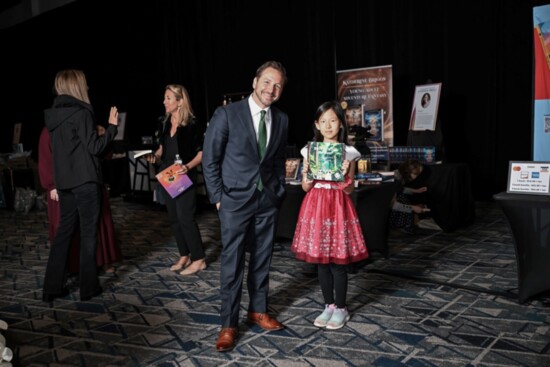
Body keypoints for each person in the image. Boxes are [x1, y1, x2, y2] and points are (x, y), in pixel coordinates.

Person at [202, 61, 289, 352]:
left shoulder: (282, 119)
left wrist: (277, 191)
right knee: (233, 262)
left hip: (266, 202)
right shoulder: (227, 114)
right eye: (267, 82)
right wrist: (217, 197)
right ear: (255, 82)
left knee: (263, 258)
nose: (271, 89)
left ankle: (258, 309)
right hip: (234, 201)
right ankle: (229, 324)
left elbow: (276, 161)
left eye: (277, 85)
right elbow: (210, 159)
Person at [42, 69, 119, 302]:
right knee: (88, 235)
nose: (87, 88)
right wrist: (112, 127)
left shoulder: (52, 117)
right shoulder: (82, 113)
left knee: (63, 234)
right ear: (76, 86)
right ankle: (88, 288)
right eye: (84, 84)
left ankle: (51, 288)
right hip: (86, 183)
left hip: (66, 184)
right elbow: (95, 148)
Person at [291, 101, 368, 330]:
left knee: (336, 262)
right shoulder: (309, 150)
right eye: (323, 121)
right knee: (321, 263)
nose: (328, 125)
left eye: (333, 120)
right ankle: (329, 305)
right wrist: (306, 175)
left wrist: (345, 173)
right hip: (315, 205)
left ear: (340, 124)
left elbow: (350, 189)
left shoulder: (348, 152)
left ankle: (342, 309)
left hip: (338, 206)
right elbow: (306, 188)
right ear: (316, 124)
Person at [38, 127, 122, 274]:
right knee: (67, 227)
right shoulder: (51, 127)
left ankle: (103, 260)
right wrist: (51, 185)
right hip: (65, 184)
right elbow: (46, 155)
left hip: (88, 180)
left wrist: (103, 135)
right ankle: (71, 266)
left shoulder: (85, 123)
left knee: (98, 222)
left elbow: (100, 151)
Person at [146, 84, 206, 275]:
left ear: (180, 102)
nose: (164, 101)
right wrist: (154, 157)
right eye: (165, 98)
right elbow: (162, 150)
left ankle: (199, 259)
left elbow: (202, 153)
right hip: (167, 174)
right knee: (174, 218)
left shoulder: (192, 124)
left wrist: (188, 167)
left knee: (185, 217)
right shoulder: (163, 122)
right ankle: (184, 255)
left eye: (168, 98)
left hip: (183, 173)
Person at [389, 159, 431, 233]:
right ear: (408, 172)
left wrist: (416, 191)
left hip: (390, 204)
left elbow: (400, 189)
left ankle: (407, 225)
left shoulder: (399, 175)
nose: (417, 177)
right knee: (403, 198)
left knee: (403, 197)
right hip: (386, 209)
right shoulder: (395, 178)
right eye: (416, 174)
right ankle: (402, 226)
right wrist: (413, 208)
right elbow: (393, 205)